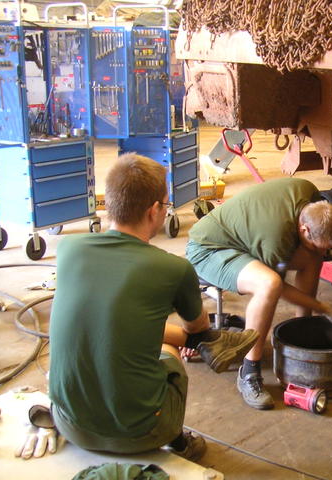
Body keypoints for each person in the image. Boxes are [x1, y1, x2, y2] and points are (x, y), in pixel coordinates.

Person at [48, 153, 259, 462]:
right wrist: (201, 338)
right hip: (140, 435)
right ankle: (174, 437)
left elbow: (123, 324)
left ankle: (213, 346)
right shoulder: (173, 268)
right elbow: (196, 328)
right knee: (171, 354)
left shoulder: (68, 250)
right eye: (166, 204)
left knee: (125, 328)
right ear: (154, 211)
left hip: (68, 424)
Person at [186, 177, 332, 410]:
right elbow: (280, 289)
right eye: (323, 245)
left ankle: (302, 331)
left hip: (246, 237)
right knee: (269, 284)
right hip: (210, 249)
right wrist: (322, 306)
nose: (325, 251)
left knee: (313, 256)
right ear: (303, 229)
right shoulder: (276, 237)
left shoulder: (310, 194)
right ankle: (249, 371)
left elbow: (318, 235)